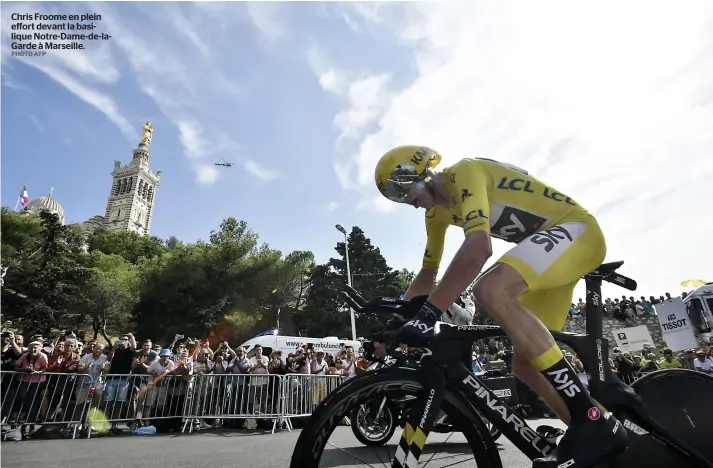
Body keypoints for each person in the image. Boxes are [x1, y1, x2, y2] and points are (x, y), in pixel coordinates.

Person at [374, 146, 627, 468]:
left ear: (417, 172)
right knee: (524, 365)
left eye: (400, 190)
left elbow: (479, 248)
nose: (403, 201)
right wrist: (400, 317)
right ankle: (596, 435)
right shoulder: (435, 214)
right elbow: (428, 273)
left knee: (490, 288)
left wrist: (429, 313)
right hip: (549, 250)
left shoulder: (464, 173)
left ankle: (591, 419)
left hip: (577, 230)